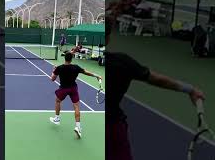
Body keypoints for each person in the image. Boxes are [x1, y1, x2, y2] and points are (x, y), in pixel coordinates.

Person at [107, 21, 205, 160]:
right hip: (113, 128)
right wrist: (190, 89)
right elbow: (157, 79)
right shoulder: (123, 62)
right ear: (108, 38)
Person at [49, 52, 102, 138]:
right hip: (73, 88)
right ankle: (78, 126)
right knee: (76, 106)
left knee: (57, 101)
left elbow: (52, 79)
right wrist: (96, 75)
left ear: (64, 58)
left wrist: (54, 70)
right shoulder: (76, 67)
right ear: (71, 59)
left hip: (63, 89)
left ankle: (57, 118)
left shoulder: (59, 68)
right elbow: (86, 72)